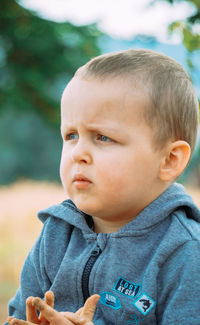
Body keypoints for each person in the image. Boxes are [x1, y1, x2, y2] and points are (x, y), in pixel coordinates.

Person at [6, 48, 200, 325]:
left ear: (169, 159)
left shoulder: (185, 252)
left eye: (103, 137)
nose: (78, 153)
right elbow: (16, 315)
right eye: (71, 135)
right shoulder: (56, 235)